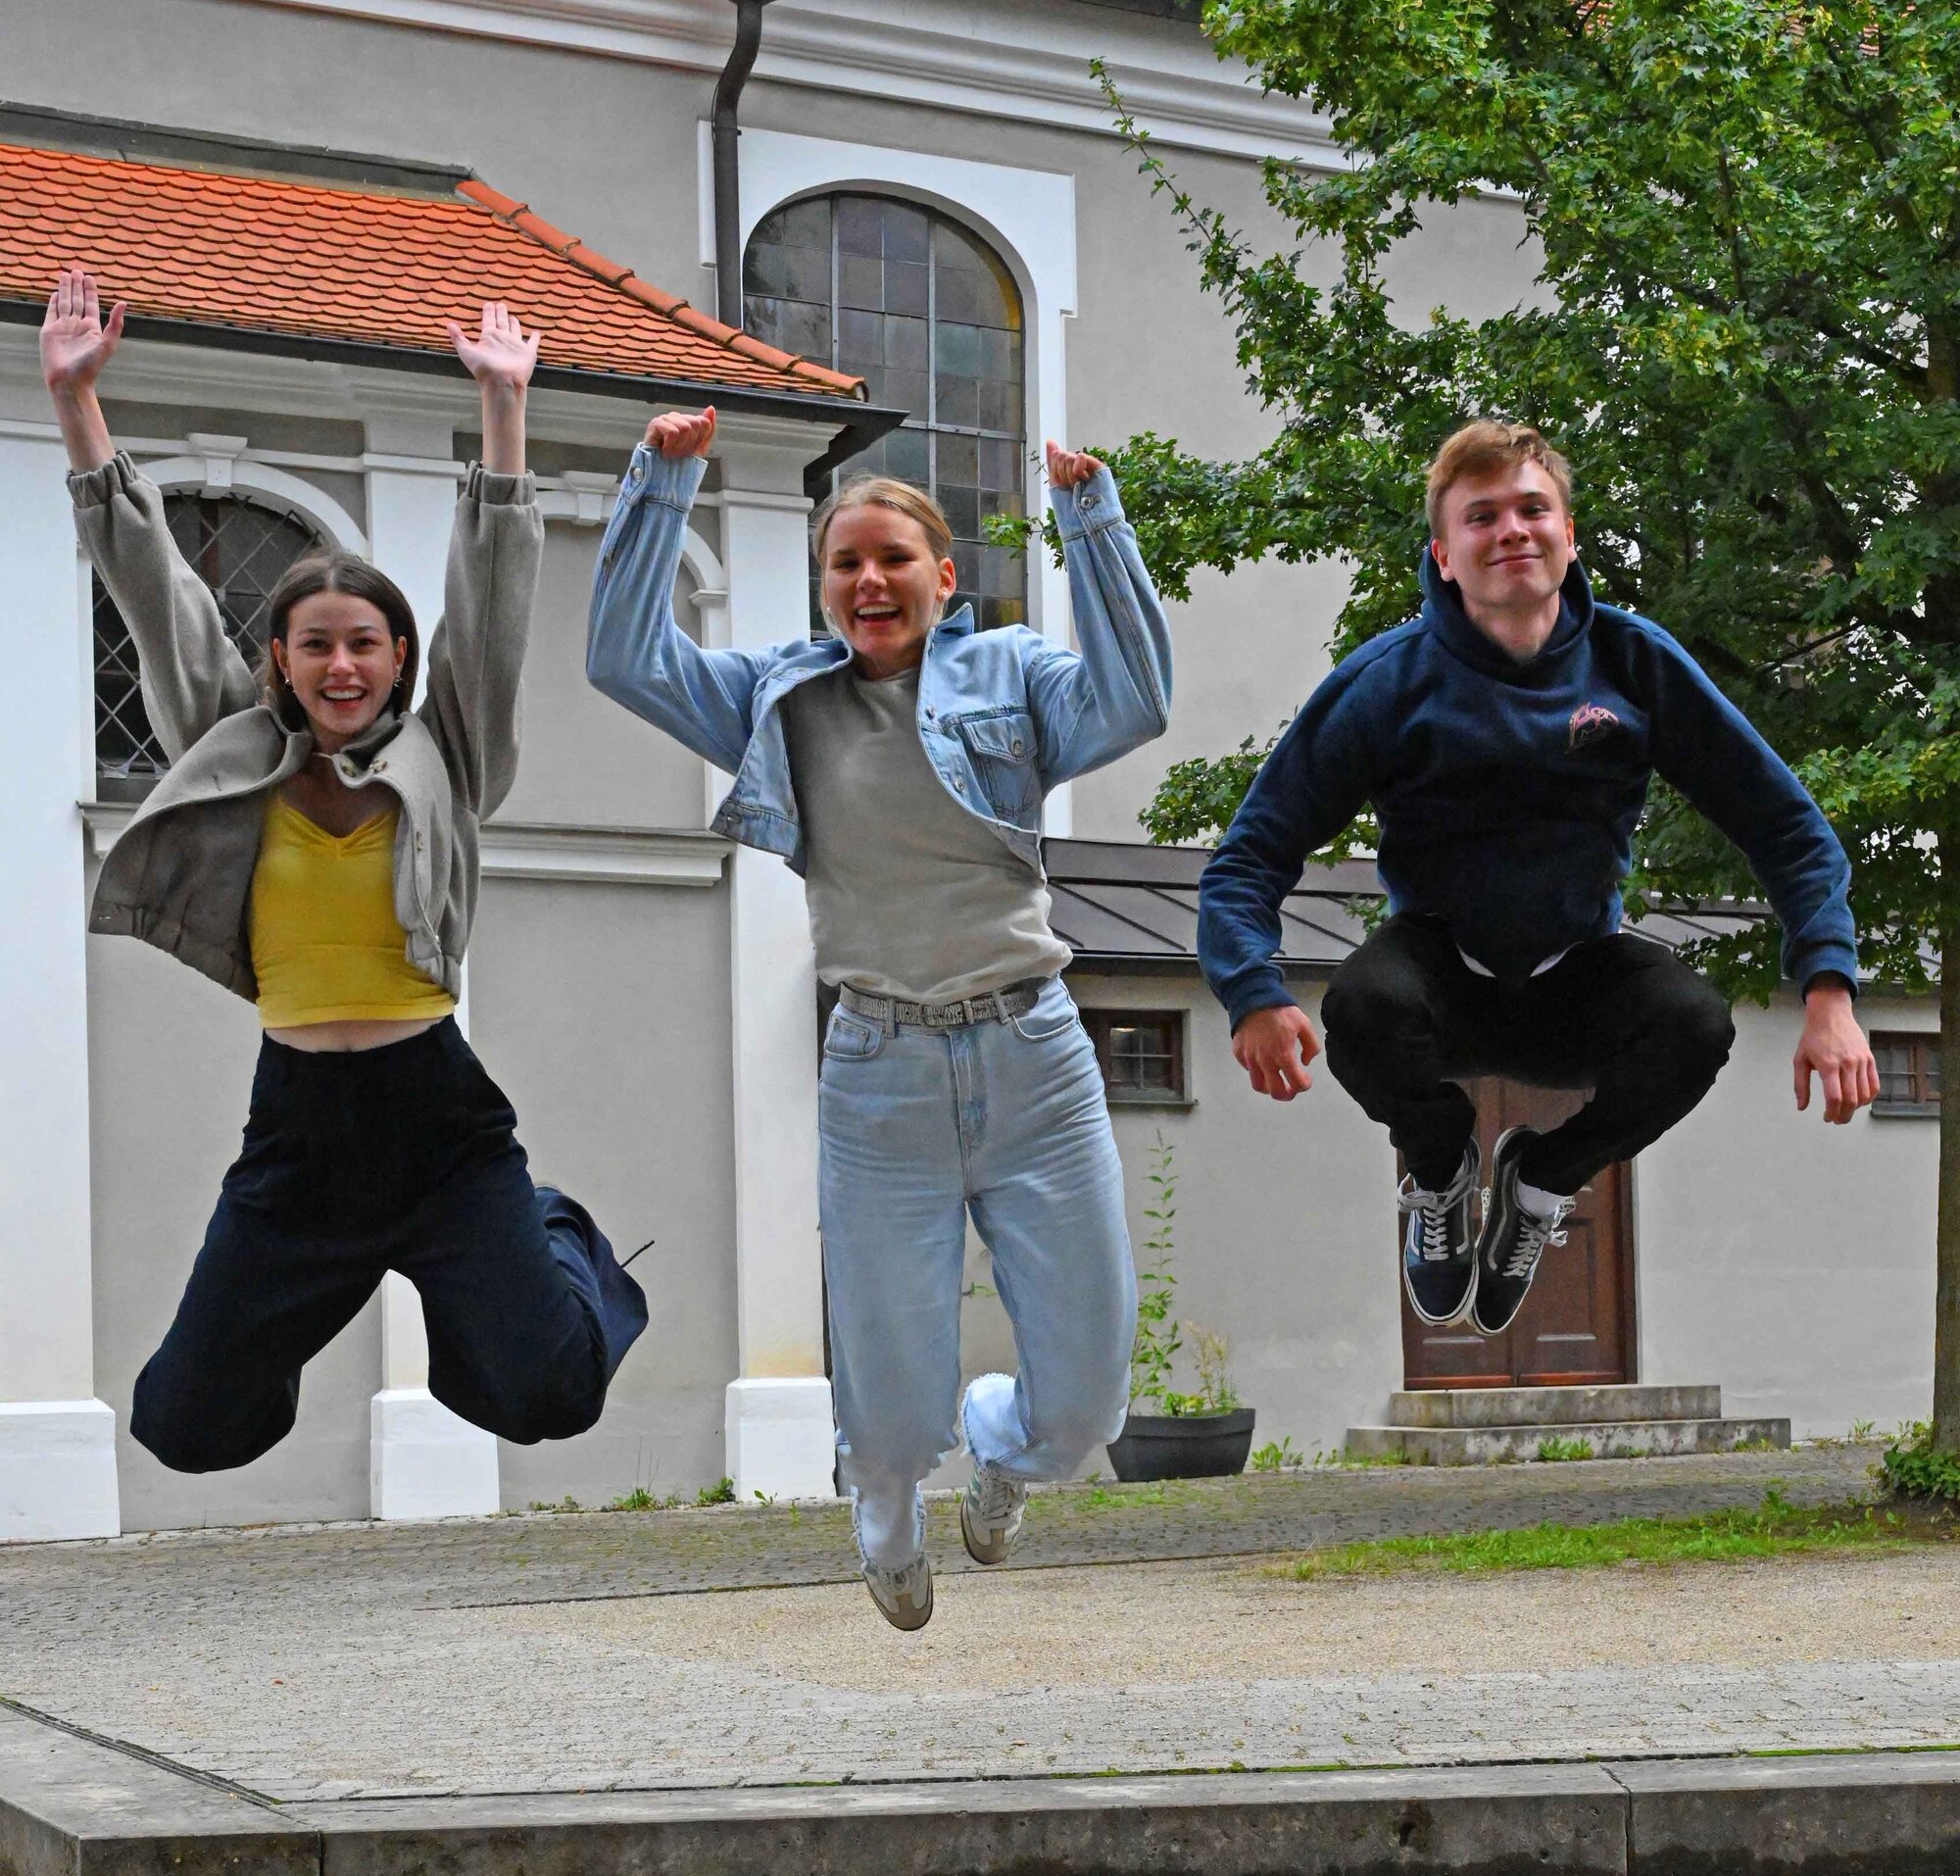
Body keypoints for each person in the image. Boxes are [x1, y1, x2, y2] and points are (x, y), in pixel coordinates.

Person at [42, 266, 648, 1475]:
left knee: (549, 1393)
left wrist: (504, 411)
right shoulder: (232, 743)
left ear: (396, 656)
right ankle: (325, 1294)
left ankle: (554, 1230)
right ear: (278, 657)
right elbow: (151, 587)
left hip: (441, 1124)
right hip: (298, 1132)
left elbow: (494, 598)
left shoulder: (448, 748)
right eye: (314, 643)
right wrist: (76, 406)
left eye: (363, 643)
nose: (339, 664)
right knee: (185, 1426)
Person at [587, 408, 1172, 1627]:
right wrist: (660, 484)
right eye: (843, 563)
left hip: (1035, 1059)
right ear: (823, 589)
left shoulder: (1010, 673)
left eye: (893, 559)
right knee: (891, 1397)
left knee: (1084, 1408)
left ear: (943, 579)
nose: (868, 580)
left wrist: (1092, 520)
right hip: (878, 1067)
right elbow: (624, 660)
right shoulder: (775, 700)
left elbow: (1134, 701)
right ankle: (885, 1499)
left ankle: (1003, 1458)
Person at [1200, 419, 1877, 1336]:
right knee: (1360, 1005)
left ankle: (1541, 1179)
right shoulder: (1389, 683)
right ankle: (1439, 1170)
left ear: (1568, 536)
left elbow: (1786, 826)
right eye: (1482, 517)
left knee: (1695, 1024)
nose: (1511, 530)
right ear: (1444, 554)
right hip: (1441, 978)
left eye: (1532, 509)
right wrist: (1249, 990)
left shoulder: (1633, 665)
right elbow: (1250, 857)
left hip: (1577, 973)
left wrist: (1830, 990)